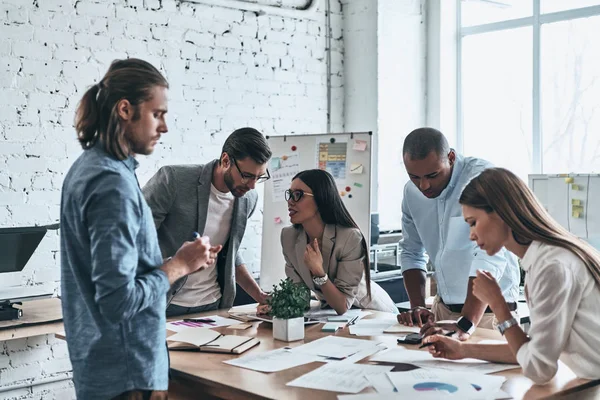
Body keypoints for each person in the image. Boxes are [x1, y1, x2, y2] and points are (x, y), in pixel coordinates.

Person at [60, 59, 218, 400]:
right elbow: (118, 301)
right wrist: (180, 265)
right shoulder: (111, 183)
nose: (164, 127)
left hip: (106, 367)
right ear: (125, 110)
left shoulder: (88, 170)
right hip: (128, 374)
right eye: (157, 114)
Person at [423, 167, 600, 384]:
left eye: (473, 222)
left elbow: (539, 369)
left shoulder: (552, 267)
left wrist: (498, 304)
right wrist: (462, 350)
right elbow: (531, 350)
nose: (471, 235)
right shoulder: (544, 259)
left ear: (499, 214)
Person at [398, 127, 520, 340]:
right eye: (414, 176)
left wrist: (466, 323)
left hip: (488, 315)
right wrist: (417, 306)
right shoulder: (411, 192)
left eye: (432, 175)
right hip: (442, 311)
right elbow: (411, 251)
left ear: (451, 157)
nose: (423, 185)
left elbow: (489, 258)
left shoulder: (482, 180)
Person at [143, 127, 272, 317]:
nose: (252, 186)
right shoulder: (173, 181)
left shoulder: (248, 199)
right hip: (165, 304)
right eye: (247, 175)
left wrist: (258, 294)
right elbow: (134, 240)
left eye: (259, 177)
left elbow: (230, 253)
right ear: (226, 160)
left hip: (213, 305)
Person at [279, 169, 397, 314]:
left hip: (369, 312)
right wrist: (277, 306)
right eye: (289, 195)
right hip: (330, 313)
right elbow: (300, 299)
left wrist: (318, 272)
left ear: (320, 198)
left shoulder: (350, 237)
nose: (290, 201)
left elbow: (342, 305)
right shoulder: (288, 236)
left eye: (298, 195)